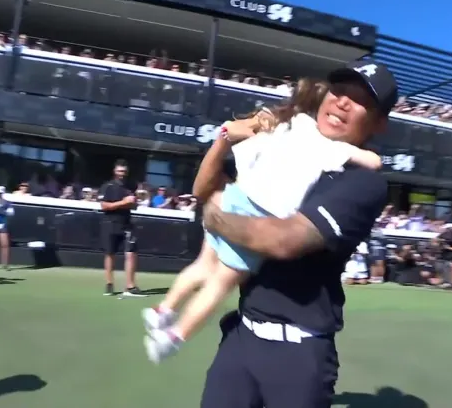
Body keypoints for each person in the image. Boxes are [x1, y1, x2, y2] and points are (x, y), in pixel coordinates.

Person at [172, 59, 396, 407]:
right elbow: (203, 189)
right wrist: (225, 140)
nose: (342, 102)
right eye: (338, 91)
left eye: (359, 100)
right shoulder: (286, 143)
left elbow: (284, 240)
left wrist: (215, 218)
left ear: (379, 123)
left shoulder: (363, 182)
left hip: (299, 354)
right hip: (241, 337)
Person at [142, 79, 383, 362]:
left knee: (203, 265)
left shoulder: (284, 124)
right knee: (220, 283)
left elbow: (240, 139)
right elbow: (373, 162)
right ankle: (173, 336)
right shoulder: (328, 146)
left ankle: (163, 310)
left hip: (234, 196)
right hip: (258, 217)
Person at [98, 159, 145, 297]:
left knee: (131, 253)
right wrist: (124, 202)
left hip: (126, 223)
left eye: (124, 171)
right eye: (119, 171)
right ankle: (109, 284)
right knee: (110, 254)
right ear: (114, 171)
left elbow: (134, 206)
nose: (122, 174)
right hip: (110, 223)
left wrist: (134, 202)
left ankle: (130, 286)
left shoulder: (131, 186)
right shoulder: (107, 186)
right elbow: (104, 206)